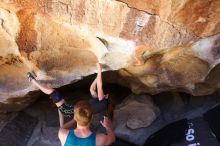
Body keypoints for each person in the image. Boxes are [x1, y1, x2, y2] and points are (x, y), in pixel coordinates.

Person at [27, 63, 109, 117]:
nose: (103, 94)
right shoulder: (99, 101)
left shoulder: (103, 101)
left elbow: (99, 85)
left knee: (54, 93)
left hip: (68, 110)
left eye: (105, 94)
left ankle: (32, 80)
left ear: (106, 97)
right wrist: (98, 75)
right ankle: (34, 80)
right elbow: (92, 89)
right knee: (54, 94)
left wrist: (99, 70)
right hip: (69, 109)